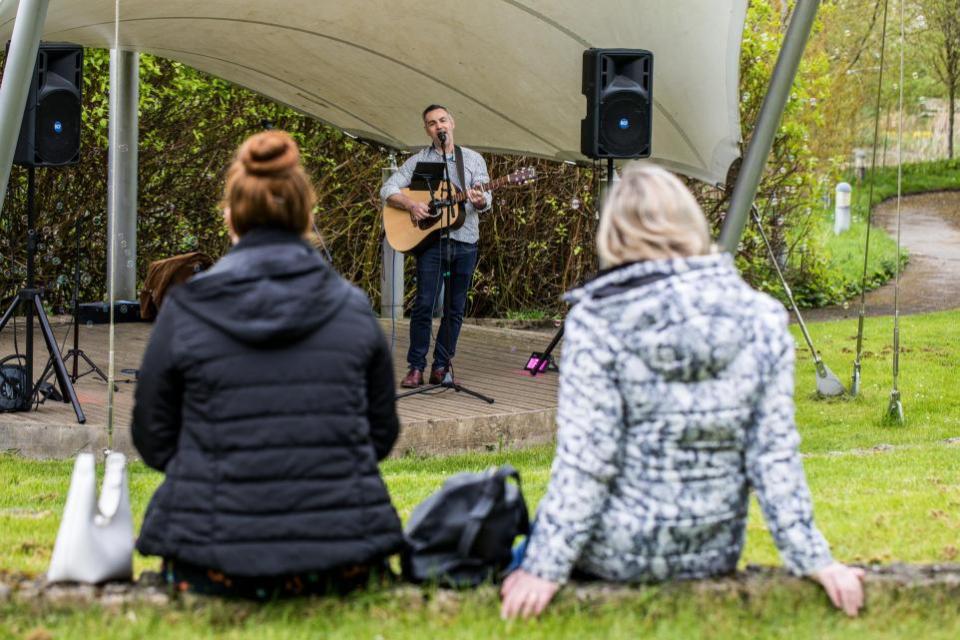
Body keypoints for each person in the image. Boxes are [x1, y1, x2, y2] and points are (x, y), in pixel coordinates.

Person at [500, 162, 865, 619]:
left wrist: (543, 567)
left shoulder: (599, 321)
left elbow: (588, 459)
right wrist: (816, 559)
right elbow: (773, 456)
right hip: (709, 552)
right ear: (692, 223)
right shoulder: (762, 318)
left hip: (617, 551)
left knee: (506, 554)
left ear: (613, 235)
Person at [131, 130, 404, 599]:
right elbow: (380, 434)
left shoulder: (186, 308)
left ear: (231, 217)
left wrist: (215, 466)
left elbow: (152, 438)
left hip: (210, 561)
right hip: (341, 557)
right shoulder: (353, 307)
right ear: (307, 218)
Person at [380, 104, 492, 388]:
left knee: (454, 309)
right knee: (423, 305)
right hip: (430, 242)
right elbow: (388, 189)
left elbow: (485, 199)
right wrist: (411, 204)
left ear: (452, 123)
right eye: (432, 123)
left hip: (465, 240)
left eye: (443, 120)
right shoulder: (419, 160)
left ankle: (441, 365)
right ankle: (416, 367)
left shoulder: (473, 159)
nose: (439, 126)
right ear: (427, 129)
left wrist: (481, 201)